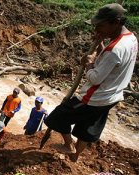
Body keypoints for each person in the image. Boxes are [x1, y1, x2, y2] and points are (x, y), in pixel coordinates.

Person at [44, 3, 138, 161]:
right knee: (87, 129)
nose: (96, 30)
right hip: (112, 96)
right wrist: (101, 46)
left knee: (57, 117)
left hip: (94, 97)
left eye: (100, 26)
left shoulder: (115, 49)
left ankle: (69, 146)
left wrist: (89, 63)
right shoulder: (131, 39)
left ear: (115, 22)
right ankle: (75, 156)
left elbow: (95, 78)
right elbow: (110, 65)